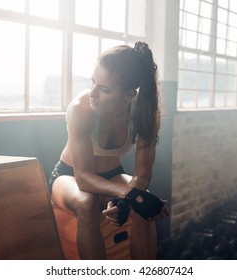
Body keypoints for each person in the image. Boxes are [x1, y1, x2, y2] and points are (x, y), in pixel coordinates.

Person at [49, 41, 169, 260]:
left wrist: (127, 202)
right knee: (87, 203)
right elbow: (83, 177)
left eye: (104, 89)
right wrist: (129, 195)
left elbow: (142, 174)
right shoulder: (80, 109)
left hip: (113, 176)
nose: (92, 93)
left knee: (145, 206)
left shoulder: (144, 113)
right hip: (69, 176)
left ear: (129, 95)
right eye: (93, 82)